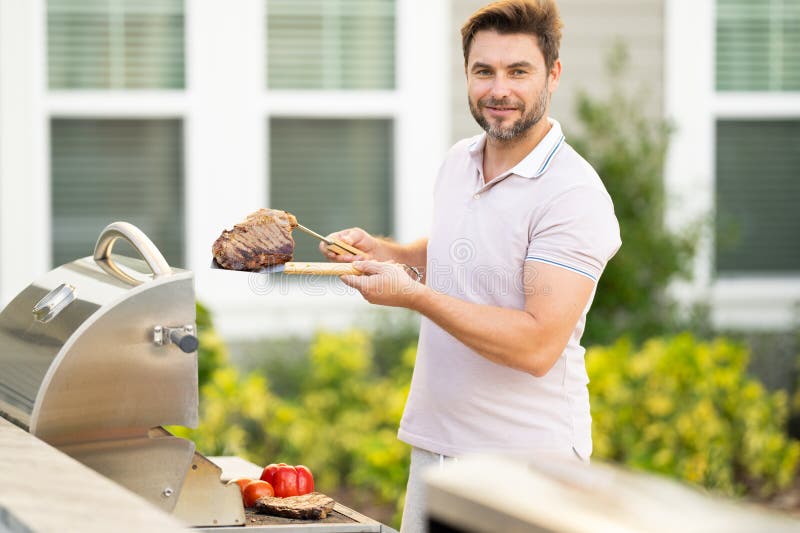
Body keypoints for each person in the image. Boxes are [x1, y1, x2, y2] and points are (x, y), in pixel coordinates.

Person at [320, 1, 621, 531]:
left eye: (518, 71)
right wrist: (383, 253)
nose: (498, 89)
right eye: (484, 71)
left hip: (527, 467)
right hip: (437, 451)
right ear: (466, 73)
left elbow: (536, 345)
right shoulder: (460, 161)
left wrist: (413, 297)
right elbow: (457, 256)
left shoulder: (573, 194)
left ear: (552, 74)